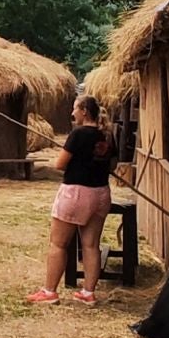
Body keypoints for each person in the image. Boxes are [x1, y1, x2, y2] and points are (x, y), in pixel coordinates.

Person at [26, 95, 117, 306]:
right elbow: (111, 166)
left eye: (75, 108)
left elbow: (60, 164)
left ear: (84, 110)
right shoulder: (107, 136)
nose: (72, 113)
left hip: (76, 193)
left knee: (58, 244)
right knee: (91, 245)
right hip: (101, 193)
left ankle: (49, 291)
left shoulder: (78, 134)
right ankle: (87, 293)